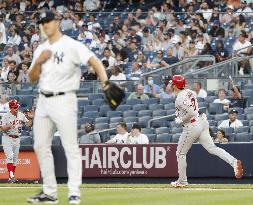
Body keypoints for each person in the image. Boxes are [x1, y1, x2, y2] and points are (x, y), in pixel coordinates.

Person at [27, 11, 121, 204]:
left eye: (48, 21)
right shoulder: (41, 49)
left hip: (64, 99)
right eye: (42, 22)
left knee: (70, 146)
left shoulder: (71, 45)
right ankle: (50, 193)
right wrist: (38, 61)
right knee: (40, 145)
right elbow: (31, 77)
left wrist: (104, 83)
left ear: (57, 22)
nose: (44, 25)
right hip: (43, 101)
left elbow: (94, 61)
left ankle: (74, 192)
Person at [169, 75, 243, 188]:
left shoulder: (179, 98)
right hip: (201, 121)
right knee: (212, 148)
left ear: (175, 85)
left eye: (172, 83)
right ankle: (233, 162)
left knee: (180, 153)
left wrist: (181, 119)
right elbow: (193, 109)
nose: (170, 85)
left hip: (192, 125)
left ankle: (182, 181)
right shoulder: (189, 91)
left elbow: (191, 112)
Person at [1, 99, 33, 183]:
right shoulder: (6, 116)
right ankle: (11, 176)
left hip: (17, 138)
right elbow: (2, 128)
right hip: (7, 137)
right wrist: (8, 126)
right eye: (15, 107)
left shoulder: (21, 115)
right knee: (10, 156)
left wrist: (30, 118)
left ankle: (11, 177)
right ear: (10, 108)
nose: (17, 108)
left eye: (17, 107)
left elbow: (28, 125)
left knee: (15, 159)